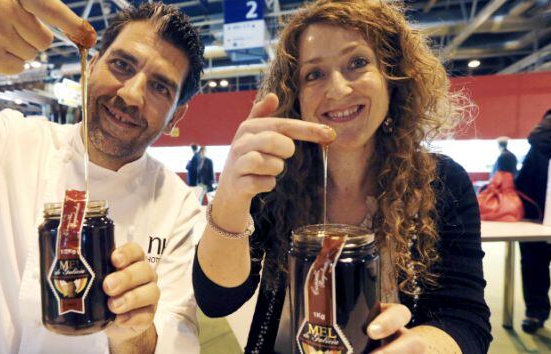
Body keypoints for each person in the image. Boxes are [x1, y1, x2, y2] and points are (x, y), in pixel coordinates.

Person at [0, 1, 204, 353]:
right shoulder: (9, 144)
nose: (131, 95)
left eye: (160, 87)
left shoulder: (178, 207)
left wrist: (134, 334)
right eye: (121, 65)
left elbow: (176, 339)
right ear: (93, 64)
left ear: (176, 116)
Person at [193, 1, 492, 353]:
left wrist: (424, 346)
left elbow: (465, 319)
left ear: (391, 76)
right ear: (296, 94)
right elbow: (218, 300)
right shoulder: (275, 181)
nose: (337, 90)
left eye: (358, 63)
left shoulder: (440, 182)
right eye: (314, 74)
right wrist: (231, 195)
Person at [515, 108, 551, 333]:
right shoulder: (542, 143)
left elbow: (522, 183)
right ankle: (535, 313)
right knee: (534, 267)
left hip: (538, 218)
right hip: (542, 217)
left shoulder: (538, 147)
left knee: (533, 267)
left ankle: (535, 313)